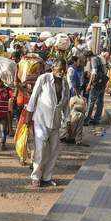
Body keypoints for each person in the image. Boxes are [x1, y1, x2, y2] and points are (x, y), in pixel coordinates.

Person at [26, 59, 70, 188]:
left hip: (55, 122)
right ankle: (35, 177)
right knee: (40, 150)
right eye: (60, 69)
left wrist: (67, 120)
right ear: (53, 68)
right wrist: (29, 115)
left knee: (53, 151)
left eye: (63, 69)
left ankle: (47, 177)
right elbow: (33, 97)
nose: (62, 72)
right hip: (41, 120)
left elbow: (66, 104)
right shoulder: (44, 79)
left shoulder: (65, 84)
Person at [84, 51, 108, 125]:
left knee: (91, 101)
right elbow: (106, 69)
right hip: (103, 82)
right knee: (100, 101)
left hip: (97, 83)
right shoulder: (100, 58)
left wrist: (89, 84)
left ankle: (87, 120)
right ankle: (97, 119)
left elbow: (94, 72)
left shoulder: (93, 59)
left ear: (88, 57)